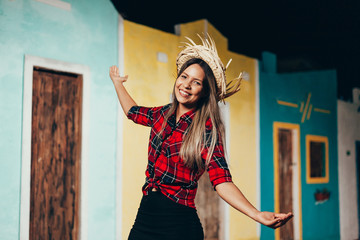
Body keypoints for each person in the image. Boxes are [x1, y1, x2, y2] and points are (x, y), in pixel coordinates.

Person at [109, 34, 293, 240]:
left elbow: (222, 180)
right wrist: (118, 83)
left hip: (179, 225)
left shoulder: (206, 131)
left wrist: (257, 214)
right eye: (184, 76)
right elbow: (132, 112)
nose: (186, 85)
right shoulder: (161, 114)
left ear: (204, 92)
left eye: (196, 82)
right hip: (146, 216)